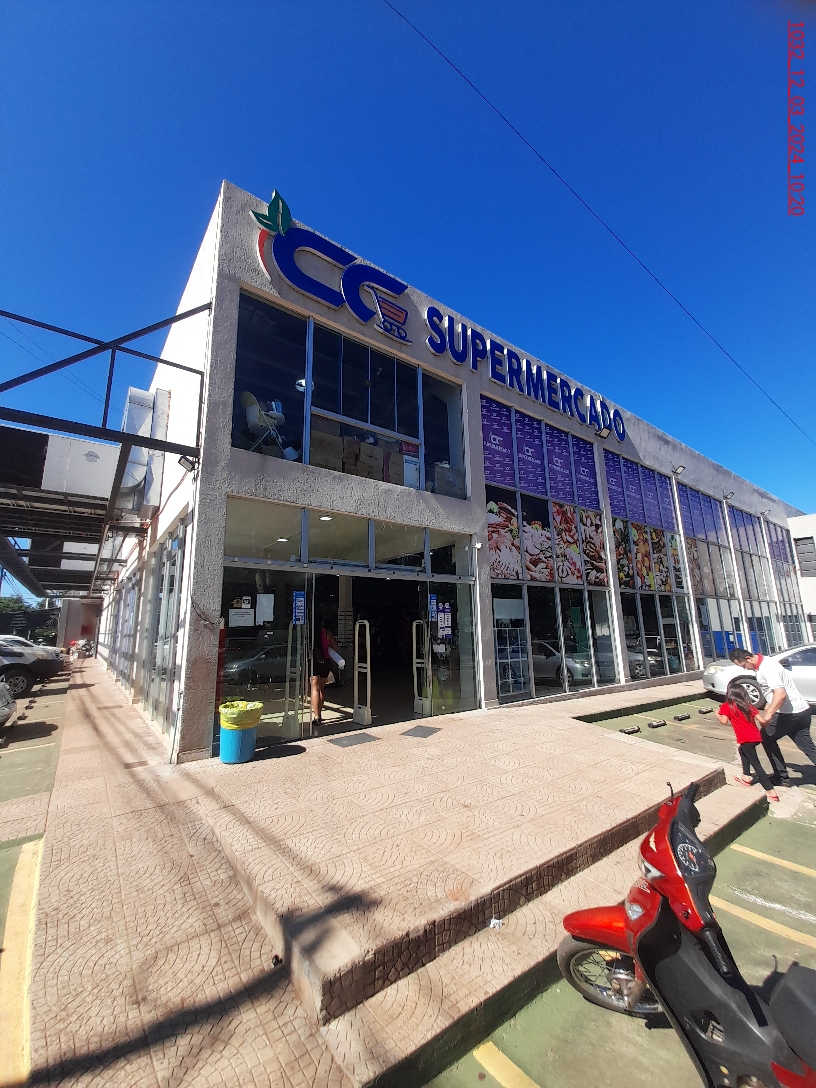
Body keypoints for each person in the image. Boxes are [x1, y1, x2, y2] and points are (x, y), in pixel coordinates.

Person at [728, 647, 816, 785]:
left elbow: (780, 694)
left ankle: (781, 777)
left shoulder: (767, 668)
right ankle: (781, 776)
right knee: (807, 746)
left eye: (743, 665)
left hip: (788, 714)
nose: (745, 669)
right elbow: (772, 693)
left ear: (748, 658)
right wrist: (768, 706)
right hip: (801, 711)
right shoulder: (765, 663)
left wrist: (768, 716)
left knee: (766, 737)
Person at [717, 680, 779, 802]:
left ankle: (770, 791)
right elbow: (762, 720)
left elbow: (724, 721)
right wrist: (767, 722)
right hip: (756, 737)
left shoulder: (727, 706)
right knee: (742, 751)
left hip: (745, 739)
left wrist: (717, 714)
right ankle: (746, 776)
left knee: (756, 764)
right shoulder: (748, 706)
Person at [310, 618, 342, 733]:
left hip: (314, 661)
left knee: (314, 689)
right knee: (321, 689)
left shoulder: (310, 633)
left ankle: (316, 717)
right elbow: (335, 648)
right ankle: (320, 714)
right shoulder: (327, 633)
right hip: (325, 662)